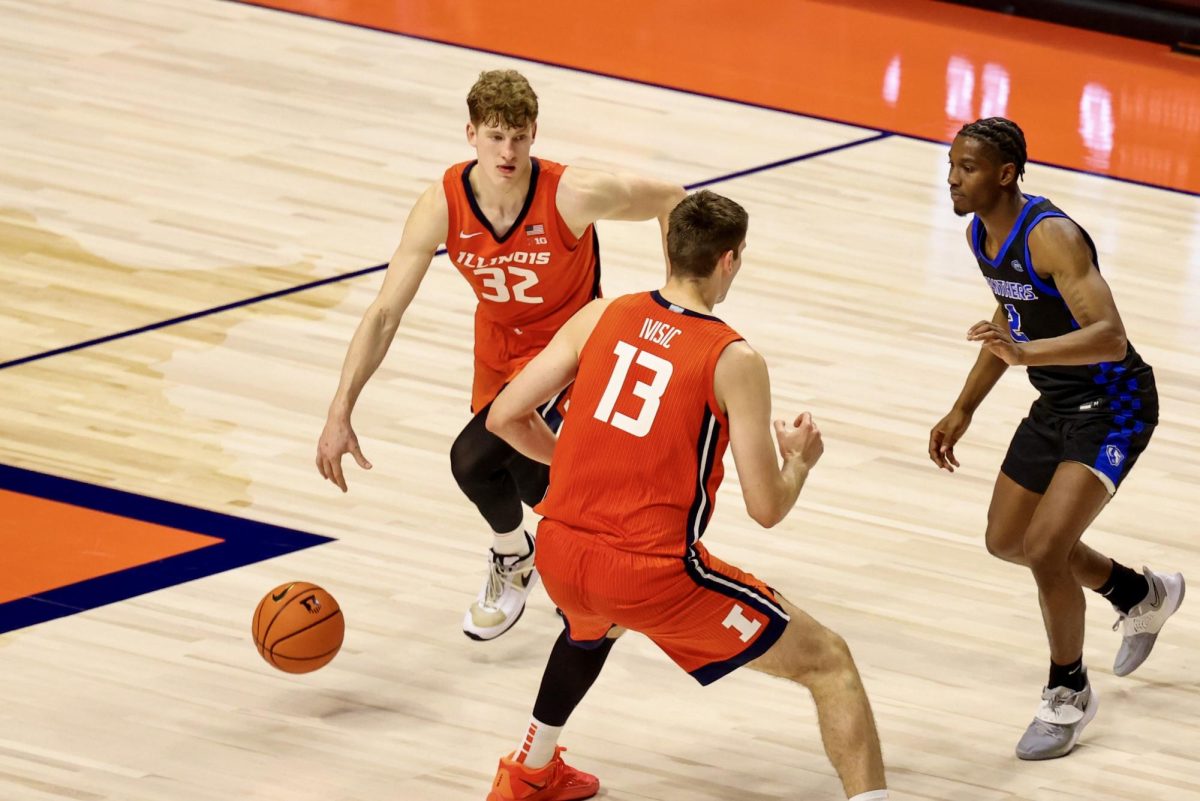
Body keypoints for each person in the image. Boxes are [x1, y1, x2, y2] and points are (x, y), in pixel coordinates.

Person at [482, 190, 888, 801]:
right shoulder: (734, 357)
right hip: (649, 572)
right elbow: (766, 507)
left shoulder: (601, 315)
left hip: (560, 556)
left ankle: (530, 771)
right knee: (830, 661)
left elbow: (505, 418)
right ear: (728, 261)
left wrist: (573, 461)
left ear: (670, 250)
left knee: (593, 627)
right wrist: (798, 461)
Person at [315, 70, 686, 640]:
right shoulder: (443, 203)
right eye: (495, 137)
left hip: (574, 347)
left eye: (518, 136)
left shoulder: (572, 193)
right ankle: (552, 553)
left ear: (534, 133)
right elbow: (386, 312)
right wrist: (341, 407)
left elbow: (671, 200)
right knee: (531, 479)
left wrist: (678, 304)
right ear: (471, 134)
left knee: (473, 458)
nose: (507, 151)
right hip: (499, 352)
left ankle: (531, 560)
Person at [931, 117, 1185, 760]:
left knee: (1046, 547)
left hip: (1116, 406)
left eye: (967, 167)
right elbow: (1008, 318)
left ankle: (1067, 693)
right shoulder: (979, 235)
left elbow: (1110, 335)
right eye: (952, 164)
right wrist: (963, 407)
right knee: (1007, 540)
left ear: (1006, 174)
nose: (953, 177)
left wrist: (1024, 353)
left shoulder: (1052, 235)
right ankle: (1138, 593)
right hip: (1058, 402)